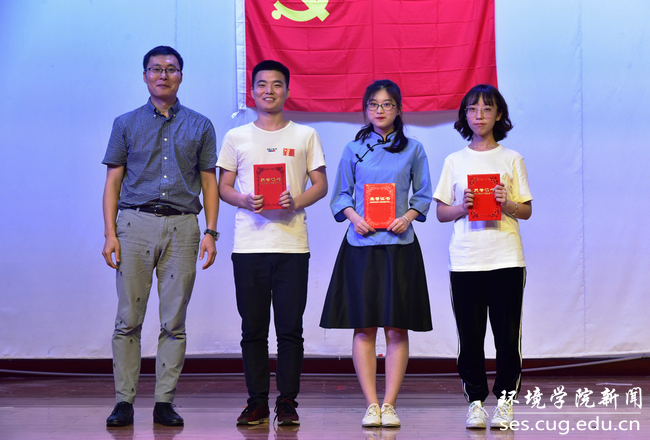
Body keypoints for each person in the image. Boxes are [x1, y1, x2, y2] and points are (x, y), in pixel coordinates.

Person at [101, 45, 219, 427]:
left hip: (183, 227)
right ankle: (124, 402)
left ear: (181, 75)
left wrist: (211, 232)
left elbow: (209, 182)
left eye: (171, 69)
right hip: (134, 224)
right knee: (128, 318)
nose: (163, 75)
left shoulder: (201, 125)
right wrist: (110, 234)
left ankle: (164, 402)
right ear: (145, 76)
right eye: (155, 69)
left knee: (174, 321)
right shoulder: (125, 123)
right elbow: (113, 182)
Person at [217, 60, 328, 426]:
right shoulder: (236, 137)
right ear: (252, 91)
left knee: (290, 329)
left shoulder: (305, 135)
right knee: (252, 329)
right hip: (249, 247)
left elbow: (320, 185)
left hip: (292, 246)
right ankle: (257, 402)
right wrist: (244, 199)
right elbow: (223, 187)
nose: (269, 90)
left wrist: (296, 201)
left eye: (277, 84)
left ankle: (288, 402)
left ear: (287, 91)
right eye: (262, 84)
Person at [320, 79, 433, 427]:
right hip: (361, 247)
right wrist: (355, 218)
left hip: (399, 247)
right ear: (365, 110)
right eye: (373, 104)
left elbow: (423, 194)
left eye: (386, 104)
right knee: (364, 326)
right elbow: (341, 195)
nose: (379, 110)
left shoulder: (414, 149)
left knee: (397, 329)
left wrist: (407, 217)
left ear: (398, 109)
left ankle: (390, 404)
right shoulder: (353, 149)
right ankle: (371, 404)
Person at [432, 84, 533, 429]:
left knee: (507, 336)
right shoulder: (454, 160)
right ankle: (475, 402)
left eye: (487, 109)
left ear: (499, 114)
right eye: (473, 109)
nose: (479, 115)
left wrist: (507, 204)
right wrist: (463, 207)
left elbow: (526, 211)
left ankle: (505, 403)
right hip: (466, 260)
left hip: (506, 258)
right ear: (465, 115)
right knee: (470, 337)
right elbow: (441, 213)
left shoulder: (512, 158)